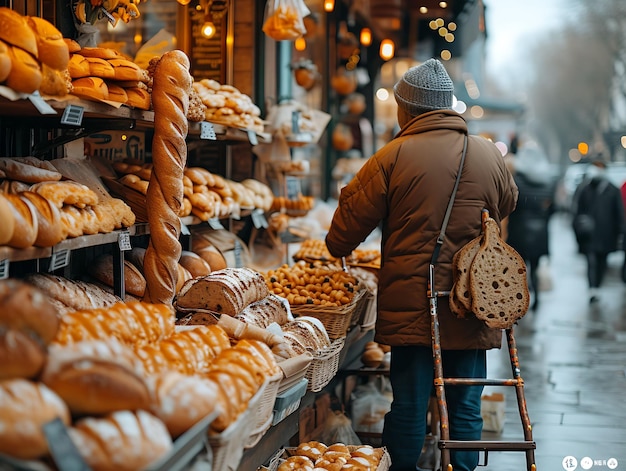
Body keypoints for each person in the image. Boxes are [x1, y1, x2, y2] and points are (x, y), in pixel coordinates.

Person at [324, 59, 518, 471]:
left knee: (409, 405)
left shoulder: (391, 157)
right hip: (472, 304)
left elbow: (342, 235)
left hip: (415, 303)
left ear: (407, 109)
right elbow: (508, 202)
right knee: (465, 404)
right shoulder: (487, 153)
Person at [505, 142, 556, 311]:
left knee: (518, 267)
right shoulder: (548, 181)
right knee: (534, 267)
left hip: (519, 229)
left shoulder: (516, 179)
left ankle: (519, 298)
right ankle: (536, 299)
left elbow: (510, 204)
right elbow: (553, 209)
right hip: (540, 231)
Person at [572, 159, 625, 302]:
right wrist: (578, 227)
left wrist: (621, 231)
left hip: (607, 233)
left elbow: (619, 212)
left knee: (602, 261)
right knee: (591, 260)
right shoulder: (585, 188)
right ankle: (592, 288)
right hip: (589, 233)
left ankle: (597, 285)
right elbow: (576, 210)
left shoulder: (612, 190)